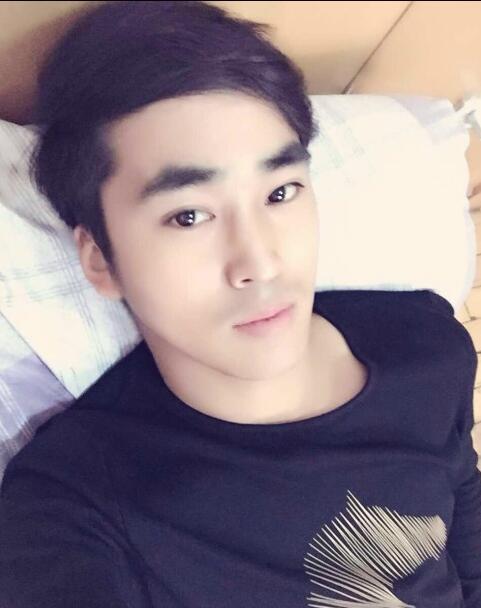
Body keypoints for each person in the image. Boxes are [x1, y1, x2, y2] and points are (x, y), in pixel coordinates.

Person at [0, 2, 480, 606]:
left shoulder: (425, 342)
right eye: (188, 215)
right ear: (100, 259)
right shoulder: (74, 506)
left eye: (280, 192)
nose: (260, 263)